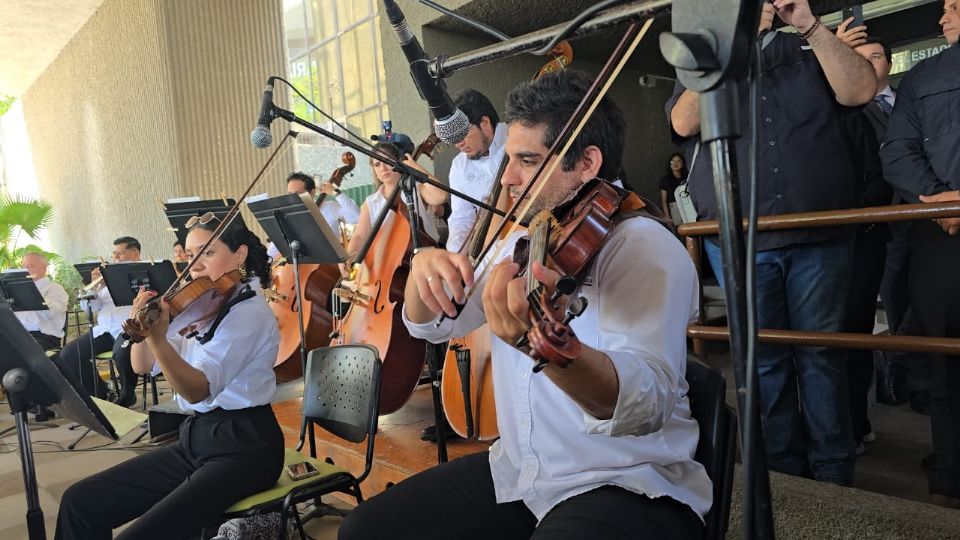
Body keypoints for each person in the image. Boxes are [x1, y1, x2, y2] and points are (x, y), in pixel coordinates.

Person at [339, 70, 710, 540]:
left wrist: (543, 347)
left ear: (587, 162)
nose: (509, 178)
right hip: (521, 472)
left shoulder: (643, 246)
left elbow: (645, 406)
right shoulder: (521, 239)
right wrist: (420, 271)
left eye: (527, 161)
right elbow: (432, 325)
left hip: (624, 482)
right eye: (509, 159)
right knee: (364, 530)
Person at [666, 0, 876, 486]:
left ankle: (834, 474)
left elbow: (860, 89)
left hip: (818, 234)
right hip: (740, 240)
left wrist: (808, 24)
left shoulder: (812, 46)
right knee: (763, 362)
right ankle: (783, 476)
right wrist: (733, 40)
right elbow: (683, 122)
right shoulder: (710, 51)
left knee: (822, 356)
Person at [55, 217, 284, 539]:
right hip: (196, 438)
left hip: (244, 447)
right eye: (190, 255)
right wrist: (141, 327)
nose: (195, 265)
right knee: (80, 501)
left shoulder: (249, 313)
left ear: (240, 254)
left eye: (207, 253)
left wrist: (159, 339)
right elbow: (141, 365)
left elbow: (197, 391)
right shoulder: (203, 305)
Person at [879, 0, 960, 509]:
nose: (943, 16)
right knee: (944, 361)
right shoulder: (925, 76)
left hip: (940, 234)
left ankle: (951, 478)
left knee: (946, 362)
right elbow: (897, 151)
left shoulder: (922, 78)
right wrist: (944, 201)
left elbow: (897, 151)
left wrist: (943, 202)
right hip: (940, 228)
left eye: (954, 5)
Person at [54, 237, 142, 406]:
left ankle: (127, 394)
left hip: (129, 329)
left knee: (121, 353)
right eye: (113, 254)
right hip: (105, 330)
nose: (115, 258)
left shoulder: (143, 273)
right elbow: (90, 309)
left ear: (134, 253)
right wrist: (94, 287)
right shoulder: (107, 276)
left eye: (119, 254)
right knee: (69, 354)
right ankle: (101, 394)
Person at [420, 90, 508, 254]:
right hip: (487, 249)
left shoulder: (515, 139)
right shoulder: (459, 165)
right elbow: (462, 218)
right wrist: (454, 255)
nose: (458, 144)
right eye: (454, 138)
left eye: (463, 134)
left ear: (485, 123)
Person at [345, 142, 439, 265]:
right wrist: (350, 255)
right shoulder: (371, 202)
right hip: (391, 266)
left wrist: (414, 167)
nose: (383, 168)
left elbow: (441, 196)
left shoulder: (418, 189)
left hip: (428, 261)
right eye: (377, 164)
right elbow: (359, 236)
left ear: (399, 161)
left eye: (387, 161)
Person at [15, 252, 68, 351]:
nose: (26, 271)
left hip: (44, 337)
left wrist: (32, 294)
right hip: (19, 334)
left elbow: (49, 313)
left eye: (30, 266)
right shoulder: (18, 290)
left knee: (20, 351)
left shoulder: (55, 289)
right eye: (24, 267)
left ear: (44, 267)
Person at [660, 152, 687, 219]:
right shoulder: (665, 180)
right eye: (673, 161)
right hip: (674, 208)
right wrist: (667, 217)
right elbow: (664, 201)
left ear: (683, 164)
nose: (675, 164)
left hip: (687, 205)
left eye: (678, 161)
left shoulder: (688, 178)